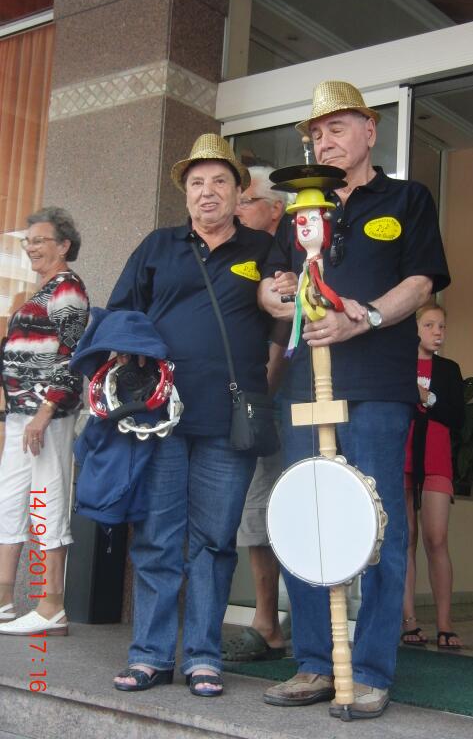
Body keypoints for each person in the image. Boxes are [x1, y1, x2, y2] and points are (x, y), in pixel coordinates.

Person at [258, 80, 450, 719]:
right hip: (305, 388)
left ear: (370, 130)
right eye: (316, 133)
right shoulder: (301, 210)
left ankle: (369, 670)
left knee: (378, 522)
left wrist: (360, 318)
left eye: (336, 128)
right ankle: (315, 662)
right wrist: (276, 294)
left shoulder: (407, 198)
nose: (325, 141)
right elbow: (272, 286)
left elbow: (421, 282)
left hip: (377, 387)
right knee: (306, 518)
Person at [109, 134, 274, 697]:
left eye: (219, 181)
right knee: (157, 538)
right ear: (185, 193)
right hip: (160, 416)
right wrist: (128, 366)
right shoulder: (158, 246)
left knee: (215, 540)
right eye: (197, 183)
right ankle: (151, 655)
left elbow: (283, 314)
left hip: (228, 419)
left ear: (238, 191)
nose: (208, 192)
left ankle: (203, 656)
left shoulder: (263, 249)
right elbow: (121, 315)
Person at [0, 206, 89, 636]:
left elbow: (72, 356)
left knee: (46, 501)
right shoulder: (44, 289)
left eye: (39, 240)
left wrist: (45, 411)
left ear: (64, 245)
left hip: (46, 417)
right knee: (9, 502)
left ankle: (51, 605)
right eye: (28, 241)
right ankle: (3, 600)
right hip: (22, 416)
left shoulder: (68, 288)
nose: (31, 247)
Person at [222, 167, 290, 662]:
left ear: (276, 209)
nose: (237, 207)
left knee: (289, 510)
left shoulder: (291, 255)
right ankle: (268, 622)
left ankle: (288, 624)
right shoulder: (242, 255)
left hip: (285, 400)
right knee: (258, 512)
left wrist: (260, 393)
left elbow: (282, 337)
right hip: (252, 401)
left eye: (247, 200)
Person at [401, 302, 464, 650]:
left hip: (437, 461)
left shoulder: (449, 370)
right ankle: (409, 620)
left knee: (436, 539)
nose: (437, 332)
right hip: (402, 459)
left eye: (442, 326)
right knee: (405, 538)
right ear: (415, 329)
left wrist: (428, 398)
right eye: (429, 325)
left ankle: (445, 622)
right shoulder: (399, 364)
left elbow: (458, 417)